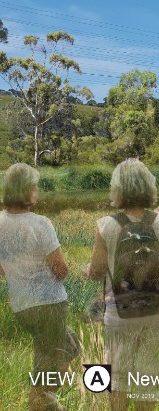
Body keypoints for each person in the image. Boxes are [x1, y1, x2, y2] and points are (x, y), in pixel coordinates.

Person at [85, 159, 159, 411]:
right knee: (149, 378)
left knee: (118, 379)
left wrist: (87, 271)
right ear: (149, 187)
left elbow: (96, 272)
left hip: (121, 312)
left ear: (118, 190)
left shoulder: (106, 225)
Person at [0, 163, 79, 411]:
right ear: (25, 191)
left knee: (71, 346)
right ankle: (42, 402)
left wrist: (19, 272)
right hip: (49, 306)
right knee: (46, 367)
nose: (37, 190)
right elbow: (60, 270)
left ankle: (48, 400)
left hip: (22, 306)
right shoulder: (41, 223)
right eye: (34, 186)